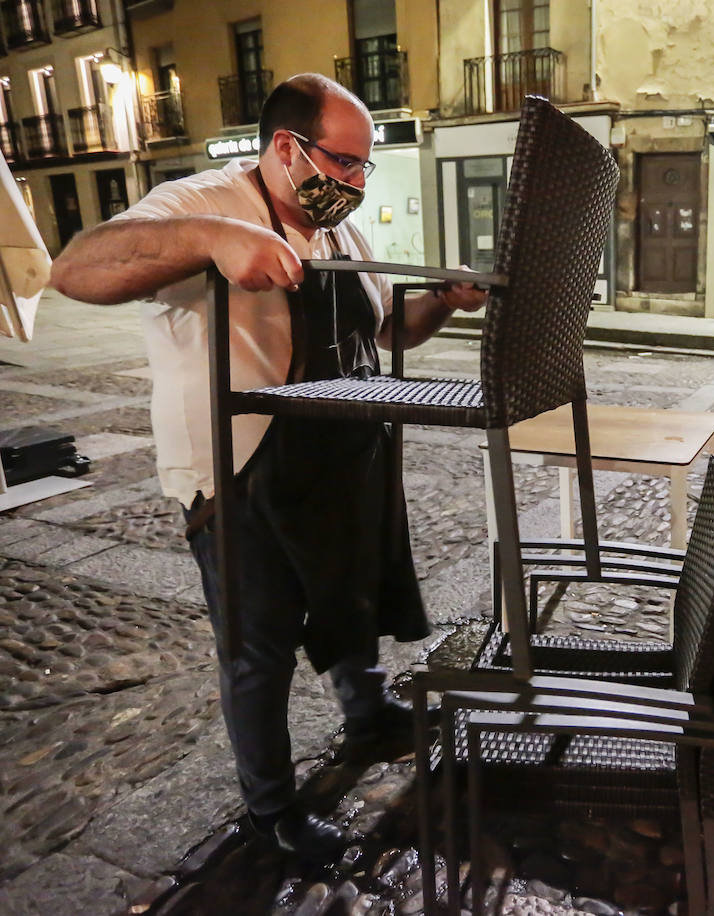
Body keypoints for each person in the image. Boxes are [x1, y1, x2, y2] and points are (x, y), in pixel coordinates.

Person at [50, 73, 486, 862]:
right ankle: (271, 808)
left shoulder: (345, 233)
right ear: (288, 147)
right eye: (345, 163)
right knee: (259, 646)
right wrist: (213, 239)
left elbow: (388, 332)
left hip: (340, 455)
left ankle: (368, 713)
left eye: (364, 168)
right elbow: (76, 269)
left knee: (351, 598)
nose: (355, 182)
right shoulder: (198, 201)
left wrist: (442, 305)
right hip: (242, 467)